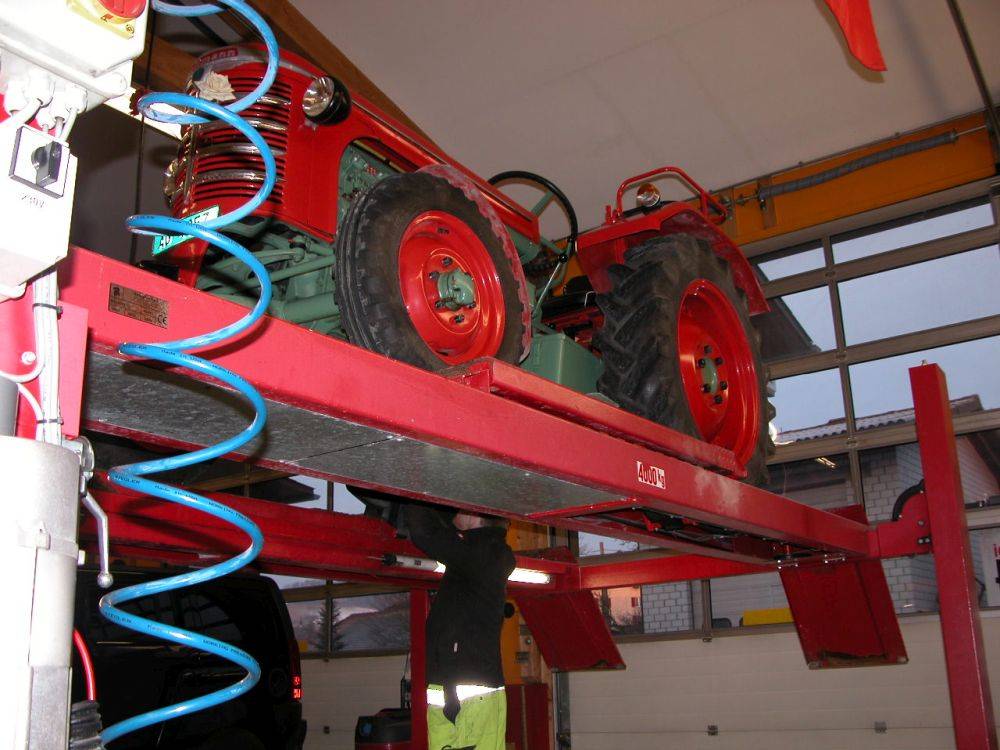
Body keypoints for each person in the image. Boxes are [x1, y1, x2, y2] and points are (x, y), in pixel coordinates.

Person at [403, 503, 516, 750]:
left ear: (473, 514)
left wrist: (412, 491)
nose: (453, 512)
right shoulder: (473, 556)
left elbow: (426, 533)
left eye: (458, 507)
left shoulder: (485, 553)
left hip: (471, 697)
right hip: (451, 690)